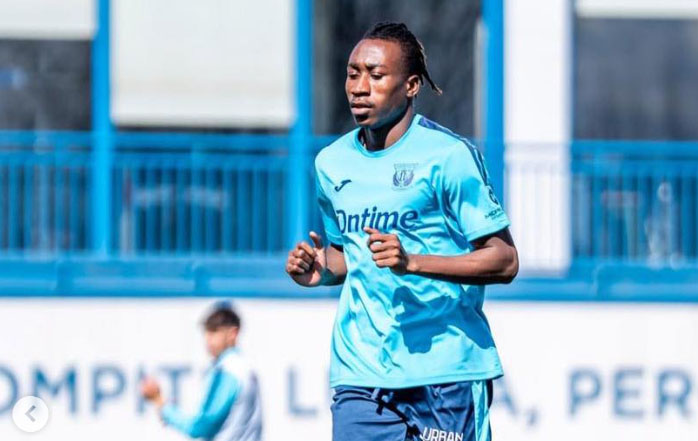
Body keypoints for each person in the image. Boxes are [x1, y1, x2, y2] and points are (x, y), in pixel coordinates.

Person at [285, 22, 518, 441]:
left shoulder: (449, 156)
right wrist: (320, 267)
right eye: (353, 74)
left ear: (411, 86)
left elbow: (504, 260)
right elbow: (348, 254)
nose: (360, 87)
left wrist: (413, 262)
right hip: (361, 371)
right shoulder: (331, 164)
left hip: (445, 372)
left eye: (376, 75)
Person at [141, 302, 262, 441]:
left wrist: (162, 405)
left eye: (214, 331)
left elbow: (201, 427)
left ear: (233, 333)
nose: (208, 339)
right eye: (207, 332)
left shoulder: (228, 370)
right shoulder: (245, 369)